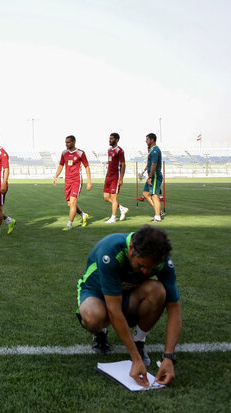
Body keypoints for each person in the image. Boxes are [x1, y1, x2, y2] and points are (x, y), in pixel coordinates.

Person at [76, 225, 181, 387]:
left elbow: (174, 308)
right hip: (97, 293)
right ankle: (101, 332)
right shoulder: (111, 251)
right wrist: (135, 359)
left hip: (127, 293)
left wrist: (169, 357)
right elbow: (114, 309)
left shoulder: (163, 263)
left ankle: (139, 340)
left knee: (159, 291)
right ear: (131, 248)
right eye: (141, 266)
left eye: (151, 268)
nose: (146, 272)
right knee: (94, 316)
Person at [52, 135, 92, 230]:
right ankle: (83, 215)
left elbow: (86, 166)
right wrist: (56, 176)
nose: (66, 144)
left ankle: (69, 224)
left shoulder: (80, 153)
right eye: (65, 142)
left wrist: (89, 181)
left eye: (68, 142)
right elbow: (61, 165)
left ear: (74, 142)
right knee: (70, 204)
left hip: (77, 180)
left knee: (73, 202)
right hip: (68, 181)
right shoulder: (64, 153)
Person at [103, 133, 128, 223]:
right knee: (106, 197)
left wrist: (121, 178)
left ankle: (113, 218)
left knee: (114, 198)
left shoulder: (120, 151)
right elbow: (109, 164)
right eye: (109, 138)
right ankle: (121, 208)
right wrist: (106, 176)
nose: (110, 140)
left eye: (112, 138)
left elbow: (123, 164)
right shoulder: (109, 150)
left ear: (117, 140)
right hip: (109, 177)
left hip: (115, 177)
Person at [142, 133, 163, 222]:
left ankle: (157, 216)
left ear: (152, 140)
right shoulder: (152, 150)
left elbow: (154, 164)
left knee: (154, 196)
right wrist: (145, 169)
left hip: (154, 176)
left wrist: (150, 177)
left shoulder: (155, 150)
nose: (145, 141)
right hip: (151, 176)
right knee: (145, 193)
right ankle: (158, 211)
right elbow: (151, 163)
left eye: (147, 139)